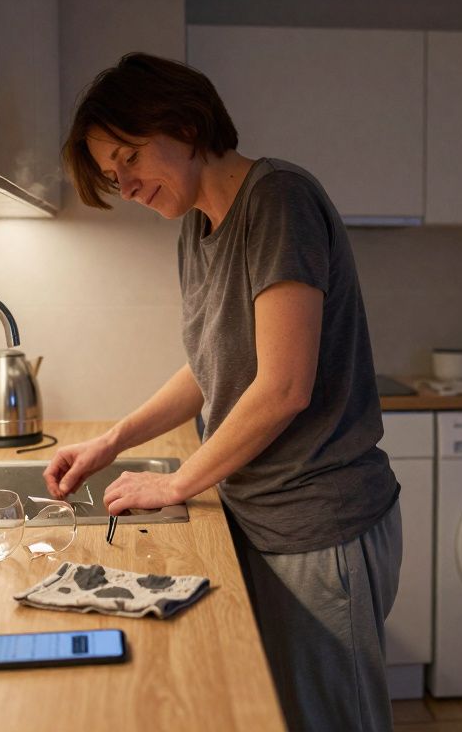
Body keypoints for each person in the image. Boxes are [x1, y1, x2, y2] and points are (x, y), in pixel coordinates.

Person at [43, 52, 402, 731]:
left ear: (182, 123)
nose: (123, 184)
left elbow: (285, 386)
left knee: (337, 720)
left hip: (318, 523)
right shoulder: (198, 228)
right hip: (263, 515)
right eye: (110, 173)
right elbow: (213, 366)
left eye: (128, 158)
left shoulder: (278, 200)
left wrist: (178, 483)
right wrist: (112, 442)